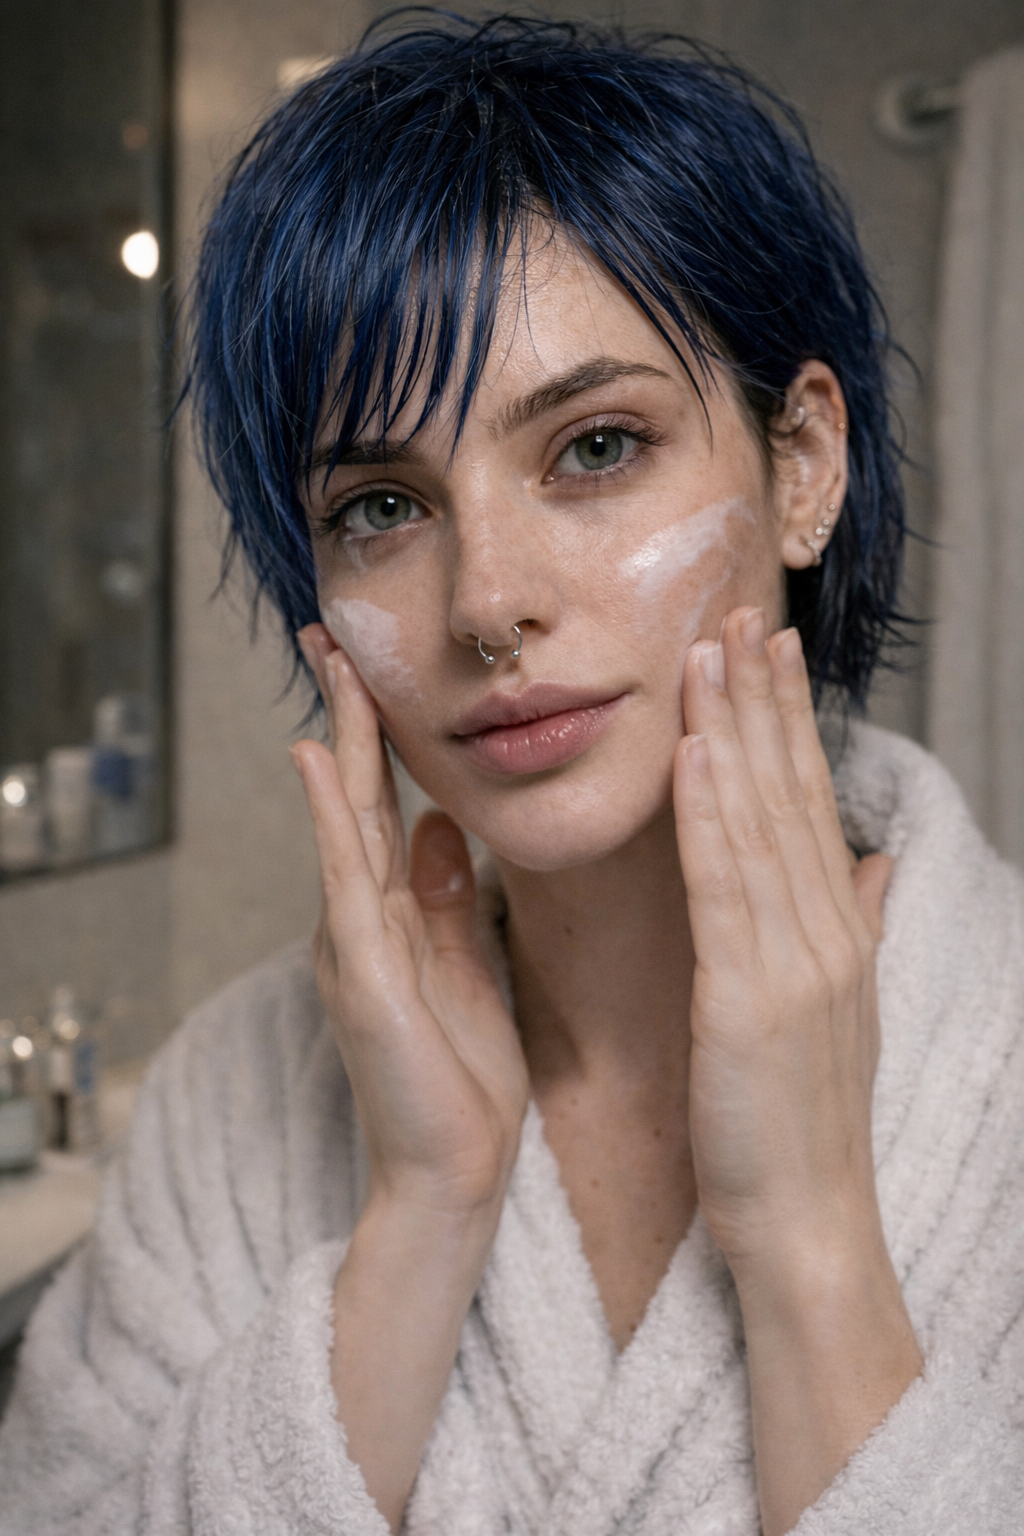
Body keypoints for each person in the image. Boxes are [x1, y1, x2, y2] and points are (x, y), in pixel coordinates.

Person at [1, 14, 1022, 1534]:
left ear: (804, 461)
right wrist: (423, 1216)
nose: (484, 602)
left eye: (596, 447)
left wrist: (814, 1236)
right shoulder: (230, 1099)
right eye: (382, 506)